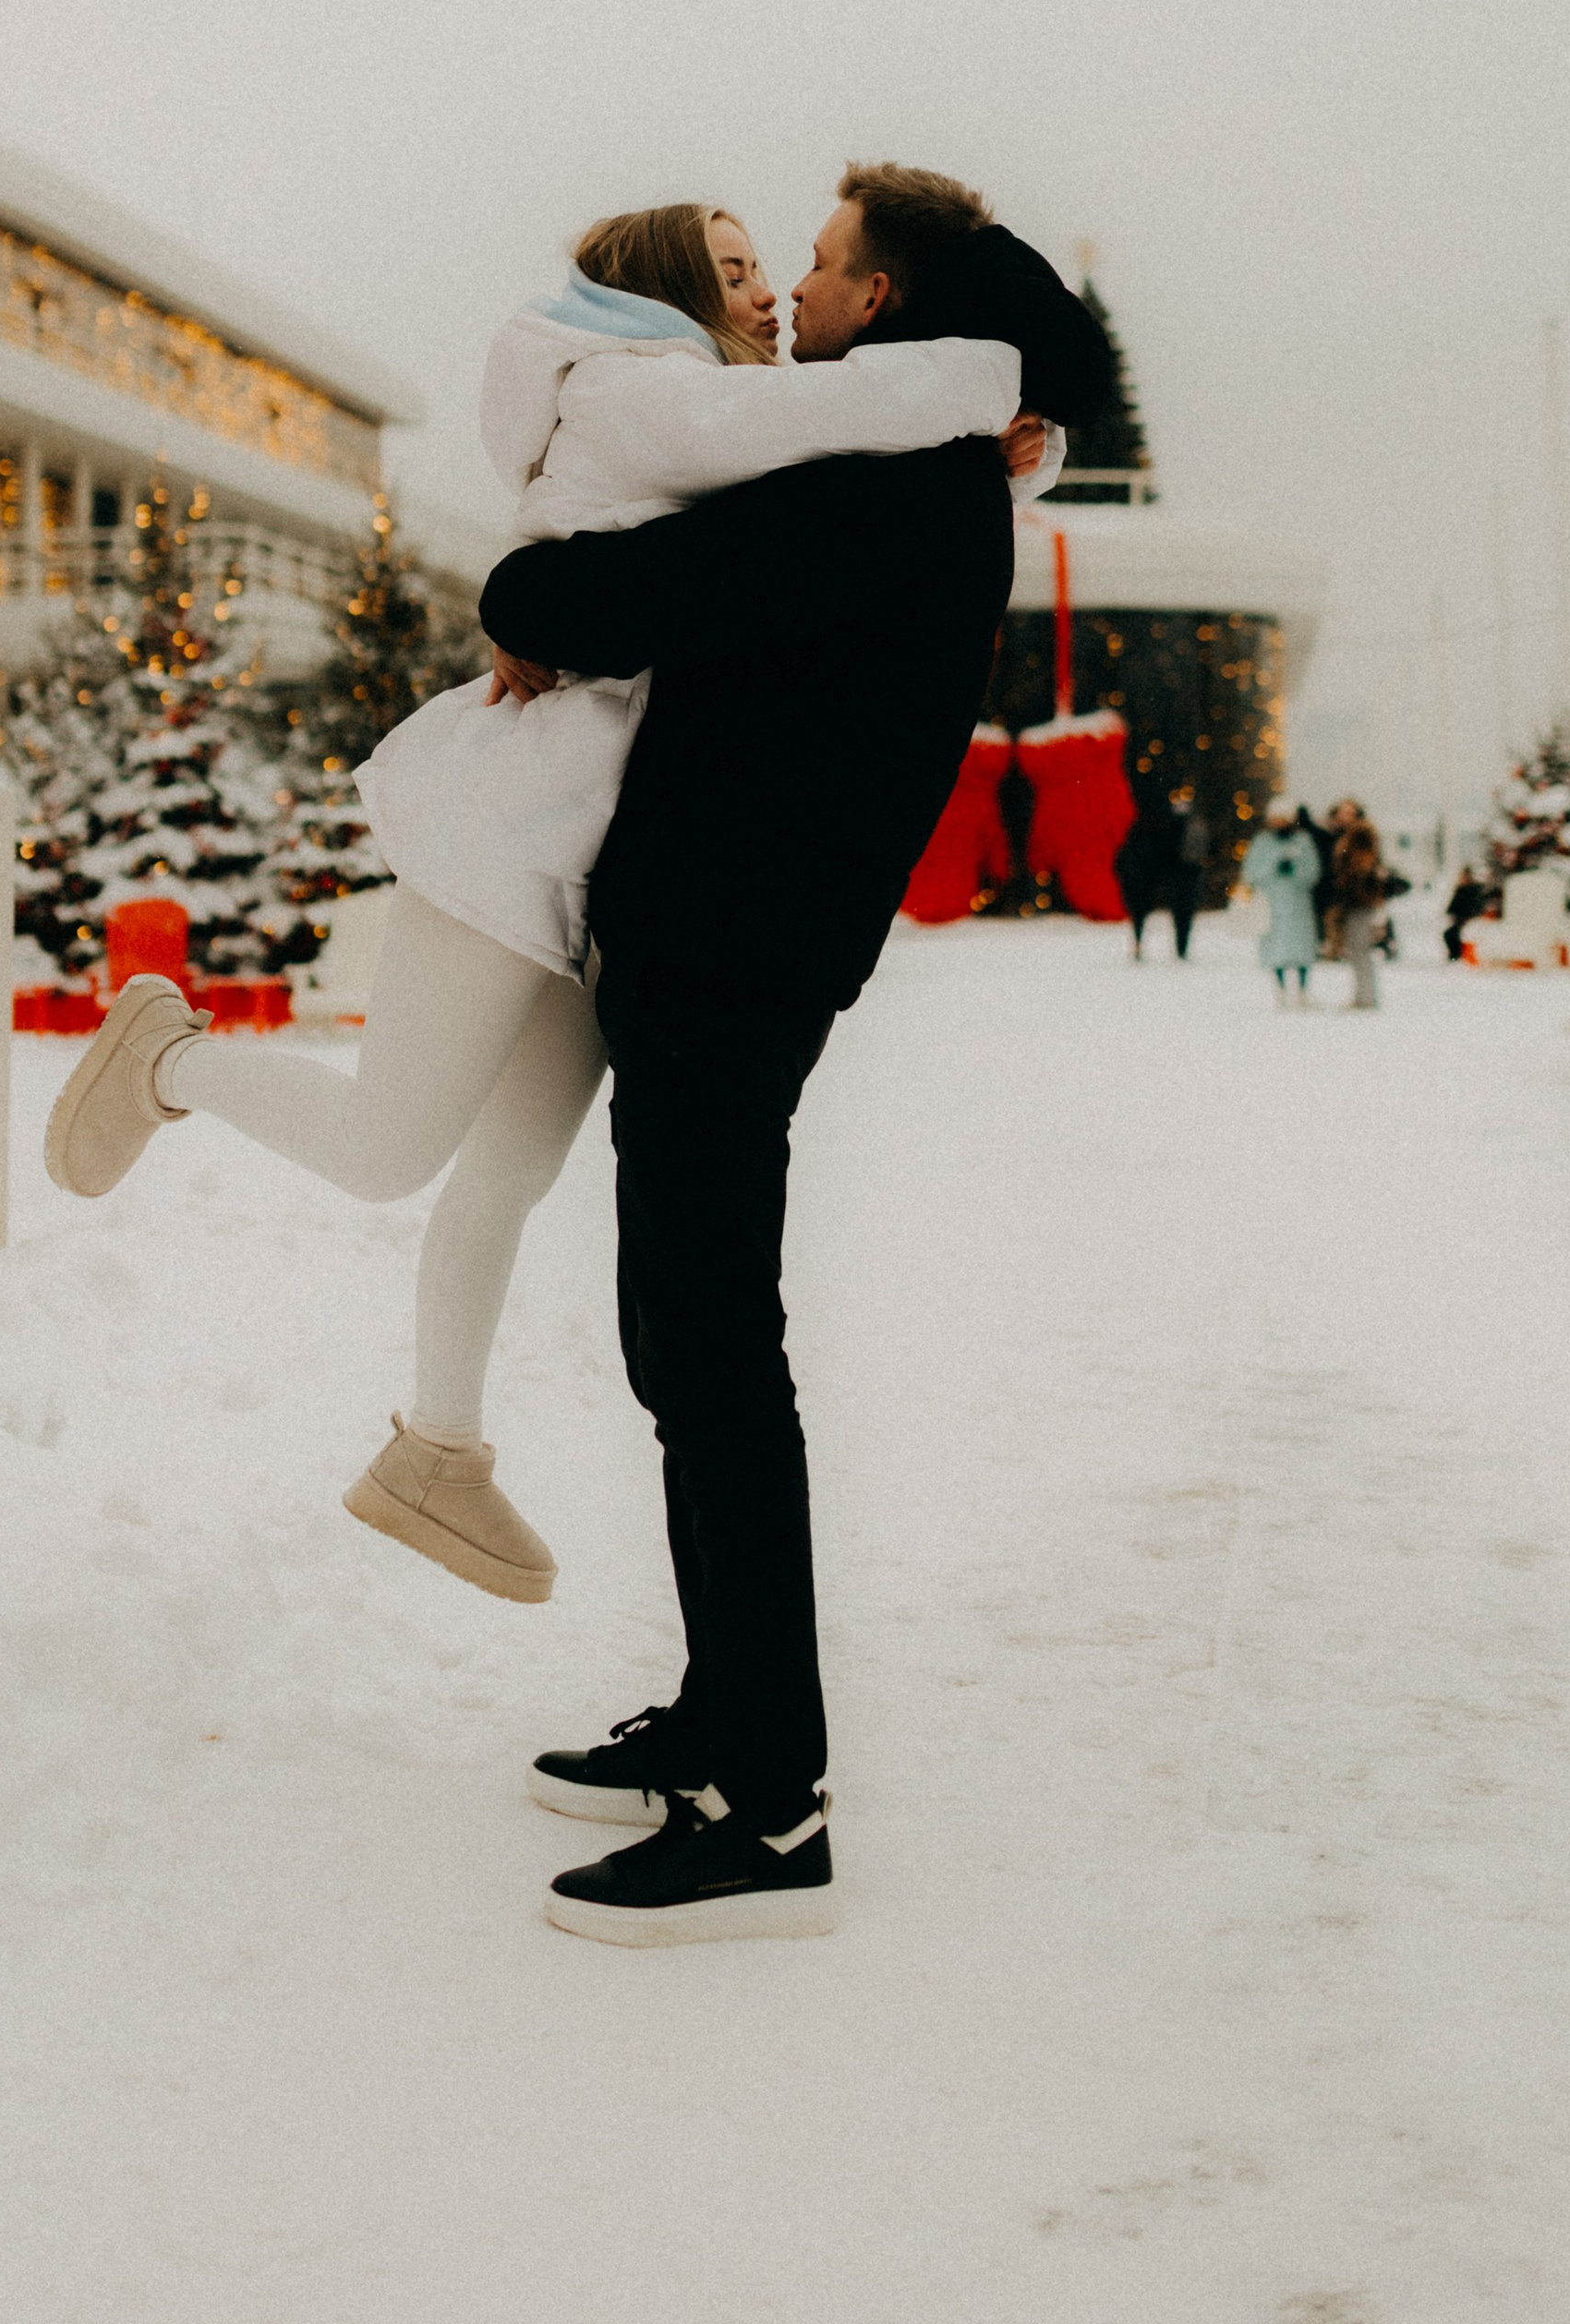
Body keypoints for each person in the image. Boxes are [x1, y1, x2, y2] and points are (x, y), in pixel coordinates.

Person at [40, 199, 1044, 1608]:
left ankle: (436, 1455)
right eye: (743, 271)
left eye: (783, 270)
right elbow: (784, 450)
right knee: (395, 1150)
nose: (770, 296)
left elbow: (825, 536)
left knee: (511, 1172)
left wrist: (995, 475)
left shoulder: (711, 413)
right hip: (507, 827)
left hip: (596, 865)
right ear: (670, 290)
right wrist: (970, 385)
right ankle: (168, 1057)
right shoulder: (640, 396)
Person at [478, 165, 1117, 1945]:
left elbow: (610, 592)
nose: (802, 294)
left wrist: (526, 590)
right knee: (679, 1341)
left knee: (716, 1356)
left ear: (890, 305)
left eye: (829, 266)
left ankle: (767, 1803)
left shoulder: (895, 490)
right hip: (719, 944)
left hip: (738, 951)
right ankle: (719, 1712)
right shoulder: (900, 474)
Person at [1112, 785, 1209, 958]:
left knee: (1155, 916)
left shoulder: (1162, 831)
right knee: (1181, 917)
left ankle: (1166, 947)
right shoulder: (1185, 828)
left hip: (1163, 878)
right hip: (1171, 878)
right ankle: (1179, 948)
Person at [1325, 798, 1404, 1010]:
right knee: (1357, 950)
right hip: (1357, 898)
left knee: (1359, 950)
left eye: (1349, 812)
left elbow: (1361, 867)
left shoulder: (1360, 835)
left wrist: (1348, 885)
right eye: (1342, 812)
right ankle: (1363, 996)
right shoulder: (1349, 835)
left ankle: (1366, 998)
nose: (1344, 817)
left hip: (1359, 899)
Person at [1242, 797, 1322, 1005]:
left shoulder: (1302, 841)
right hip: (1272, 903)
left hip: (1298, 904)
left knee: (1301, 951)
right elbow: (1251, 872)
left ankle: (1303, 991)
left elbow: (1313, 872)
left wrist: (1295, 870)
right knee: (1275, 950)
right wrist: (1273, 868)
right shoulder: (1262, 842)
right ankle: (1281, 990)